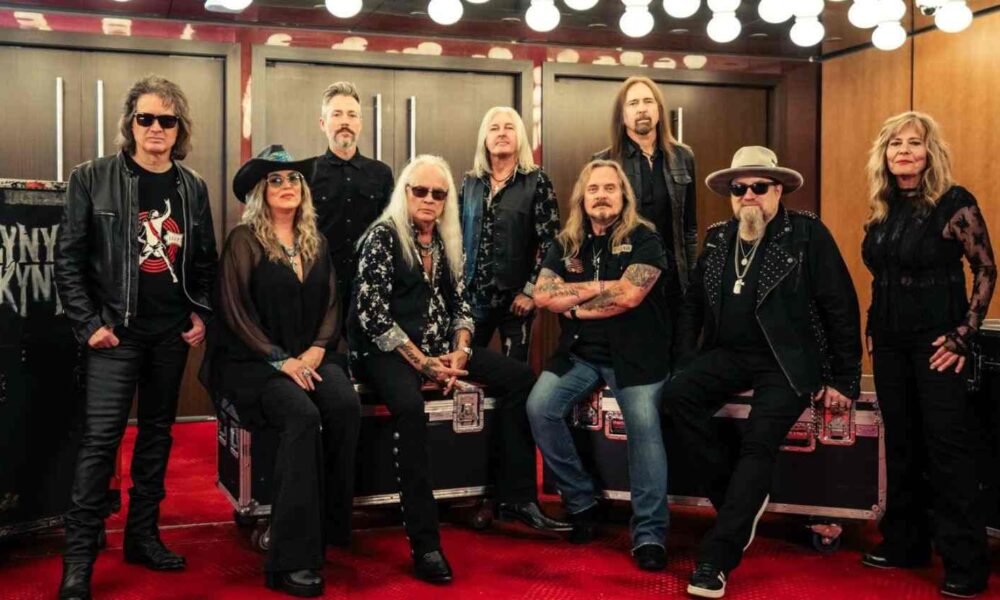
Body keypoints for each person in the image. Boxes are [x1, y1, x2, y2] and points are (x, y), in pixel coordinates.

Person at [347, 154, 569, 585]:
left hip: (441, 351)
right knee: (411, 409)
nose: (430, 199)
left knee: (522, 380)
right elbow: (373, 317)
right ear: (405, 193)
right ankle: (425, 543)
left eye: (439, 193)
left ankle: (515, 496)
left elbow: (462, 305)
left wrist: (462, 350)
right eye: (421, 191)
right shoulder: (382, 237)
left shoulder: (447, 240)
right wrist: (426, 364)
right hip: (387, 353)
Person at [664, 146, 861, 598]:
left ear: (778, 191)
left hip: (787, 361)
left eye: (759, 186)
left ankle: (716, 558)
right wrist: (686, 363)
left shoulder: (806, 233)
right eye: (739, 189)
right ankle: (741, 500)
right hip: (727, 353)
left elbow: (840, 306)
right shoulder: (718, 237)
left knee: (759, 441)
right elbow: (693, 306)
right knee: (675, 399)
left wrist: (844, 378)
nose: (748, 195)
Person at [54, 75, 218, 600]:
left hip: (169, 335)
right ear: (130, 123)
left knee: (156, 437)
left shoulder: (191, 187)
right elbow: (68, 259)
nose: (155, 128)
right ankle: (78, 560)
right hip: (115, 335)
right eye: (145, 118)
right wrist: (89, 325)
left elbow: (204, 261)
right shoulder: (92, 177)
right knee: (101, 442)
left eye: (166, 120)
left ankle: (142, 538)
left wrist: (200, 312)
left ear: (179, 129)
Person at [207, 145, 361, 597]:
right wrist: (281, 360)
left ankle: (328, 525)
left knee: (344, 405)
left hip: (310, 356)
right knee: (302, 416)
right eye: (275, 179)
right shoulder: (244, 240)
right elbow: (235, 313)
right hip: (254, 362)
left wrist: (316, 350)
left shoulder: (316, 240)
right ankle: (291, 557)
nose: (287, 185)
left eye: (294, 178)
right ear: (261, 191)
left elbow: (332, 303)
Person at [860, 112, 995, 598]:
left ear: (929, 152)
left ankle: (966, 562)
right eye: (895, 144)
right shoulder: (883, 207)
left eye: (914, 143)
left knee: (946, 449)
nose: (904, 151)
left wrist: (964, 335)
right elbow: (883, 276)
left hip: (938, 345)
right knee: (901, 444)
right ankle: (905, 543)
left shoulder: (954, 203)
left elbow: (985, 269)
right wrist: (874, 327)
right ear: (885, 155)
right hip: (890, 342)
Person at [528, 159, 673, 571]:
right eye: (593, 189)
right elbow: (543, 295)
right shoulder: (567, 242)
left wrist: (574, 305)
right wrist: (602, 286)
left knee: (644, 429)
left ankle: (649, 533)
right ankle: (581, 502)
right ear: (582, 197)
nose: (602, 196)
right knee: (539, 407)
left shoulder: (645, 237)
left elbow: (630, 296)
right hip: (579, 353)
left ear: (623, 195)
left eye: (610, 188)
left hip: (636, 356)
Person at [459, 106, 560, 361]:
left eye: (509, 128)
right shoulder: (470, 182)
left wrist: (531, 292)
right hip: (472, 300)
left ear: (520, 137)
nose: (501, 133)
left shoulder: (537, 180)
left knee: (514, 373)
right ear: (485, 138)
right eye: (494, 128)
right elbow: (455, 237)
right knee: (463, 367)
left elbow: (551, 243)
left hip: (516, 303)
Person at [594, 76, 697, 306]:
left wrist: (691, 280)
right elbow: (596, 233)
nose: (641, 109)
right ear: (622, 115)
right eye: (633, 103)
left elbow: (689, 228)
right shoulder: (605, 161)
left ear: (659, 110)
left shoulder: (683, 156)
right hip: (625, 279)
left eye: (648, 101)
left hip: (674, 280)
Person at [308, 81, 394, 328]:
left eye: (352, 115)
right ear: (323, 123)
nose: (345, 121)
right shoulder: (306, 174)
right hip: (319, 288)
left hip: (370, 288)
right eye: (337, 114)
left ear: (360, 124)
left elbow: (393, 233)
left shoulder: (381, 174)